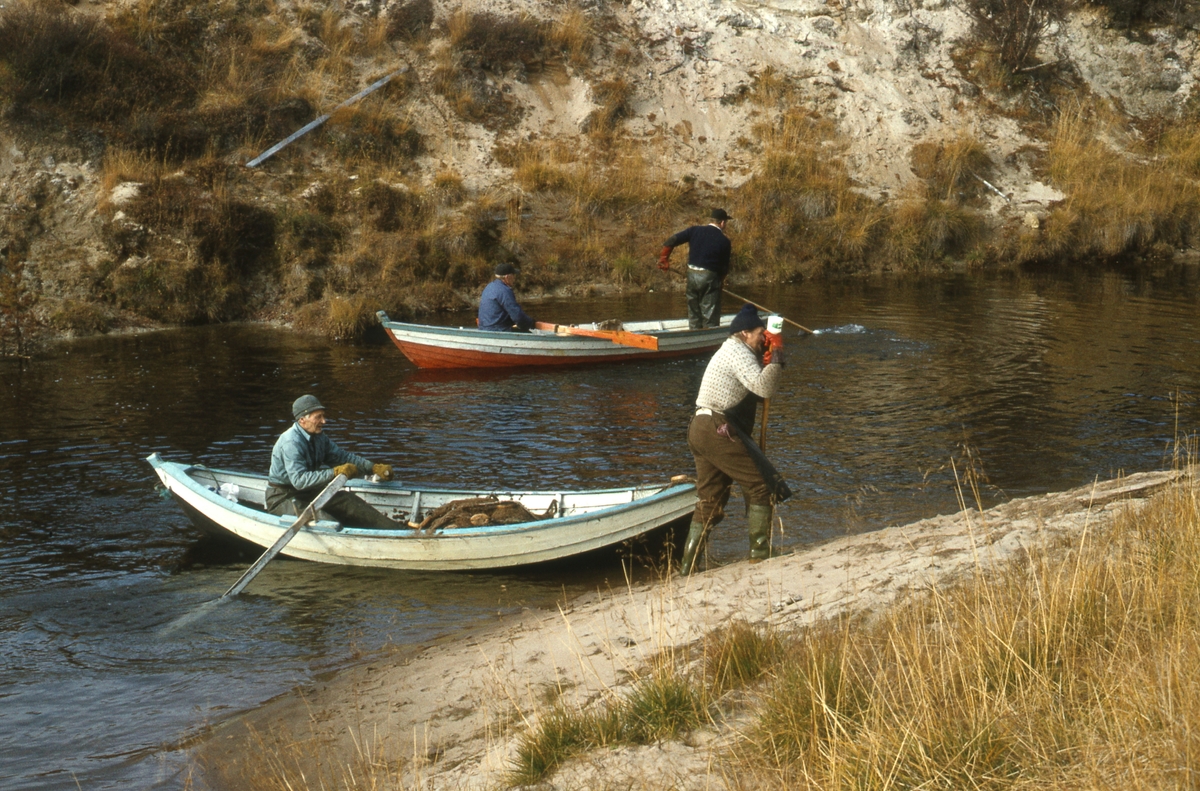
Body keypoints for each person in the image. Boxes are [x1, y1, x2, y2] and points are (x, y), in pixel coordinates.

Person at [681, 303, 791, 575]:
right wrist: (776, 353)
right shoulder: (737, 351)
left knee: (711, 502)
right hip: (716, 427)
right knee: (760, 484)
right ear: (744, 333)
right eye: (759, 334)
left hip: (701, 427)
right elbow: (764, 386)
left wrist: (769, 360)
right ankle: (760, 551)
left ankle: (688, 567)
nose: (763, 338)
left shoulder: (737, 350)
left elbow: (762, 385)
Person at [266, 395, 404, 530]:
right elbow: (300, 480)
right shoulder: (291, 442)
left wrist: (373, 468)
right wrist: (335, 472)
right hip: (282, 497)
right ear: (302, 420)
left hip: (308, 492)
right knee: (326, 521)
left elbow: (342, 457)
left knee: (349, 502)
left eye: (323, 416)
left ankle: (397, 530)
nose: (324, 421)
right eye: (318, 417)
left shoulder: (319, 437)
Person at [658, 208, 733, 329]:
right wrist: (721, 283)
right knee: (710, 314)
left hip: (692, 275)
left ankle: (694, 333)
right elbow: (724, 268)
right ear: (723, 223)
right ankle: (710, 338)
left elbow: (671, 241)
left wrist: (664, 258)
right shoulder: (724, 241)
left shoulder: (694, 230)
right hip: (709, 277)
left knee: (693, 311)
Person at [478, 262, 536, 332]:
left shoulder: (488, 287)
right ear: (507, 277)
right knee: (529, 332)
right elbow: (518, 317)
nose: (514, 278)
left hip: (483, 329)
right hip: (498, 330)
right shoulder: (505, 291)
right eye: (513, 275)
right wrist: (531, 323)